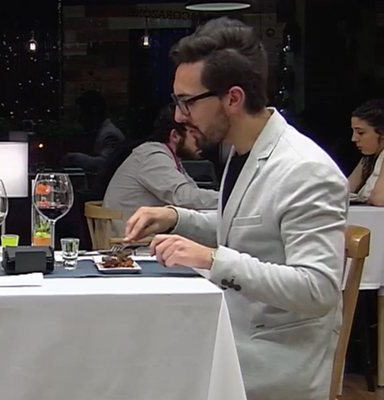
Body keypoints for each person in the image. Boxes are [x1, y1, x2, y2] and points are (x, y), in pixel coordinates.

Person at [124, 17, 347, 400]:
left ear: (233, 98)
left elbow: (318, 289)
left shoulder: (305, 169)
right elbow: (247, 227)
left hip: (276, 360)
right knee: (134, 351)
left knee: (141, 371)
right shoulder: (242, 151)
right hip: (234, 335)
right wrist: (176, 217)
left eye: (187, 102)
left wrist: (212, 258)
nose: (178, 116)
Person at [103, 104, 218, 236]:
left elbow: (191, 194)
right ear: (175, 136)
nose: (201, 140)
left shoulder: (165, 156)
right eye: (193, 132)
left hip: (143, 239)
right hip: (133, 242)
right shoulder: (152, 157)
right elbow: (184, 197)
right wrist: (227, 200)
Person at [63, 90, 125, 175]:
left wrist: (74, 158)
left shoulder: (111, 135)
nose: (79, 119)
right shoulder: (101, 133)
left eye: (82, 114)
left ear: (93, 112)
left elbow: (104, 163)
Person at [348, 99, 384, 205]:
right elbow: (344, 190)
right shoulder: (368, 158)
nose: (354, 138)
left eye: (360, 133)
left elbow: (380, 198)